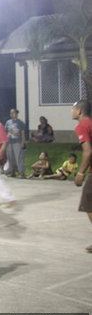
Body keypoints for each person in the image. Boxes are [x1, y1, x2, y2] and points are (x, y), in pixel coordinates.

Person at [71, 100, 92, 253]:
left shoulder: (82, 126)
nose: (71, 112)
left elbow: (88, 151)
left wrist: (80, 173)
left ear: (79, 111)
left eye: (73, 109)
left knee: (89, 204)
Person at [5, 108, 27, 178]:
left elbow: (23, 134)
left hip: (17, 141)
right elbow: (5, 132)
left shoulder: (20, 123)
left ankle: (21, 172)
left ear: (16, 114)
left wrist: (22, 142)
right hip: (9, 141)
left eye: (13, 113)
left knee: (19, 157)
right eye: (11, 113)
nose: (12, 114)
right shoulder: (8, 122)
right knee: (10, 157)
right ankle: (12, 171)